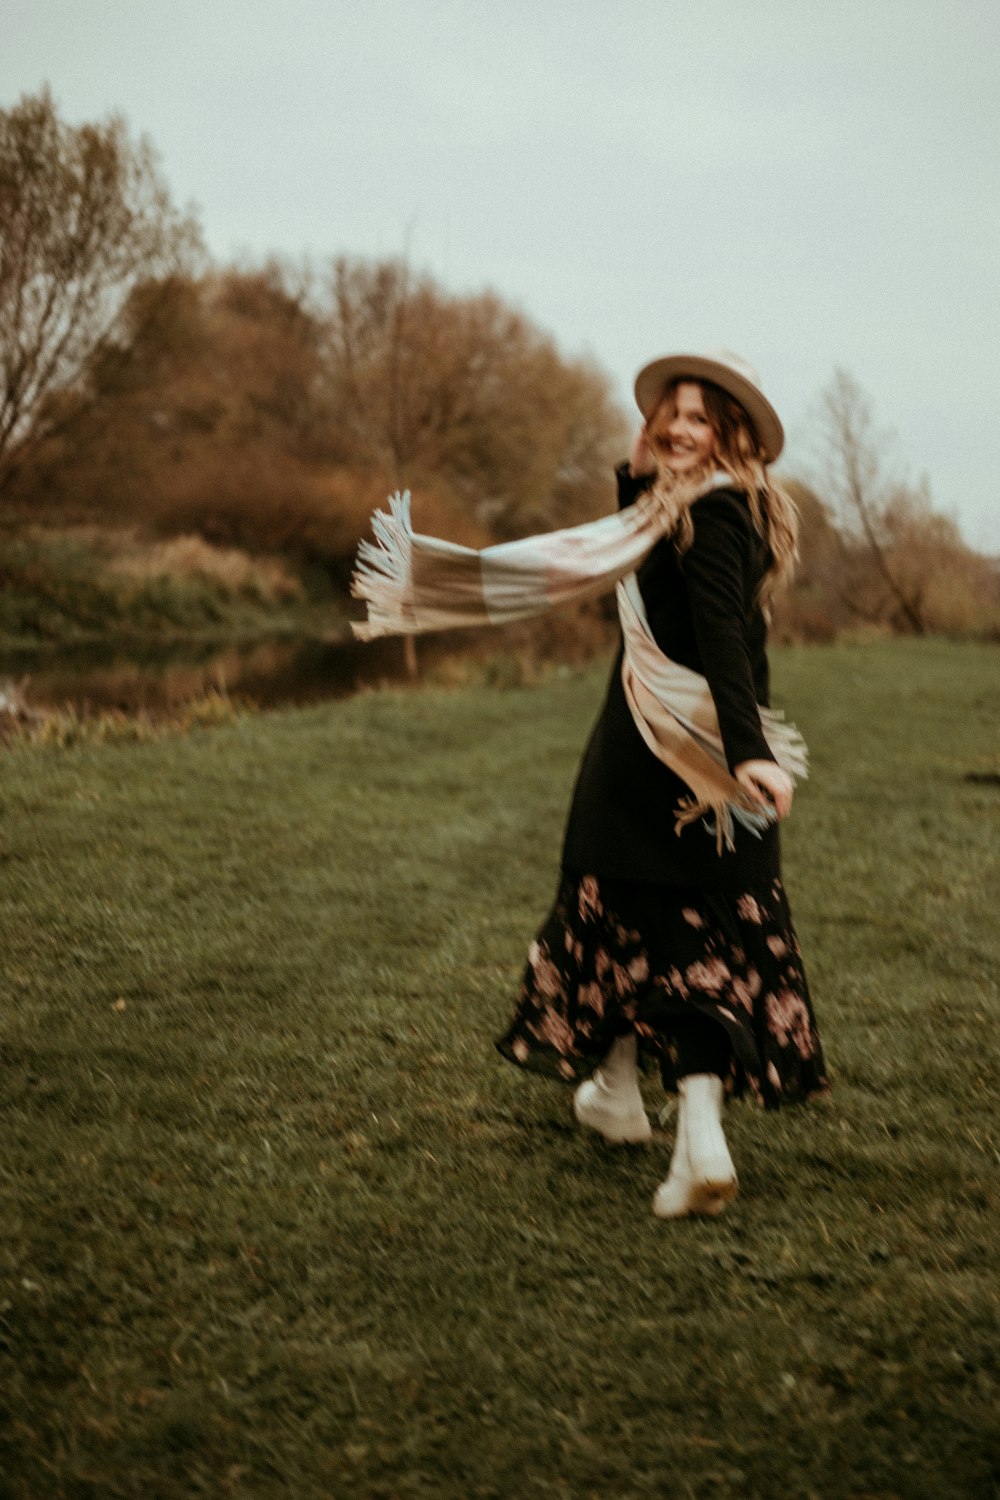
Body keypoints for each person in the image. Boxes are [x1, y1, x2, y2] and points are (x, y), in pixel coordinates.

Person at [495, 350, 828, 1219]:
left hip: (673, 764)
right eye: (669, 413)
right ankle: (620, 1097)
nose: (680, 427)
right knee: (671, 939)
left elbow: (718, 630)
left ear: (733, 434)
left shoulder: (711, 515)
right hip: (689, 757)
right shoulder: (697, 509)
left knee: (661, 937)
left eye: (699, 417)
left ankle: (698, 1143)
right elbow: (651, 572)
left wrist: (751, 753)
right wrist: (637, 473)